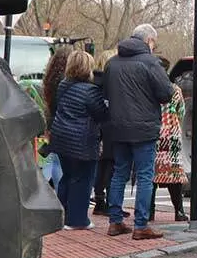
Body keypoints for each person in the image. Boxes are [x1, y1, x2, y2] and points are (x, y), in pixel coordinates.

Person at [103, 24, 173, 240]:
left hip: (118, 128)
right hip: (144, 128)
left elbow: (105, 92)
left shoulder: (111, 64)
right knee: (144, 175)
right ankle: (140, 225)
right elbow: (166, 93)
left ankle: (115, 221)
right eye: (154, 42)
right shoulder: (151, 62)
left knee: (119, 173)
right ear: (149, 41)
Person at [49, 50, 109, 229]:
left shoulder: (62, 85)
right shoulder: (91, 91)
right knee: (82, 180)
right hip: (82, 141)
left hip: (61, 138)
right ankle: (77, 220)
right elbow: (102, 114)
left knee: (67, 177)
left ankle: (63, 217)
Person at [149, 56, 189, 222]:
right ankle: (179, 211)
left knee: (150, 173)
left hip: (153, 133)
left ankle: (149, 211)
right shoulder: (175, 90)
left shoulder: (148, 90)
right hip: (171, 134)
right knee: (174, 174)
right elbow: (181, 113)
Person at [91, 49, 129, 218]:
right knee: (112, 166)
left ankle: (100, 200)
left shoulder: (93, 81)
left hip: (99, 128)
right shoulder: (108, 82)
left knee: (102, 166)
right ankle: (110, 203)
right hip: (110, 127)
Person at [41, 47, 71, 189]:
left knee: (54, 160)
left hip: (52, 123)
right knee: (61, 165)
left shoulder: (50, 81)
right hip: (64, 123)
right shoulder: (66, 82)